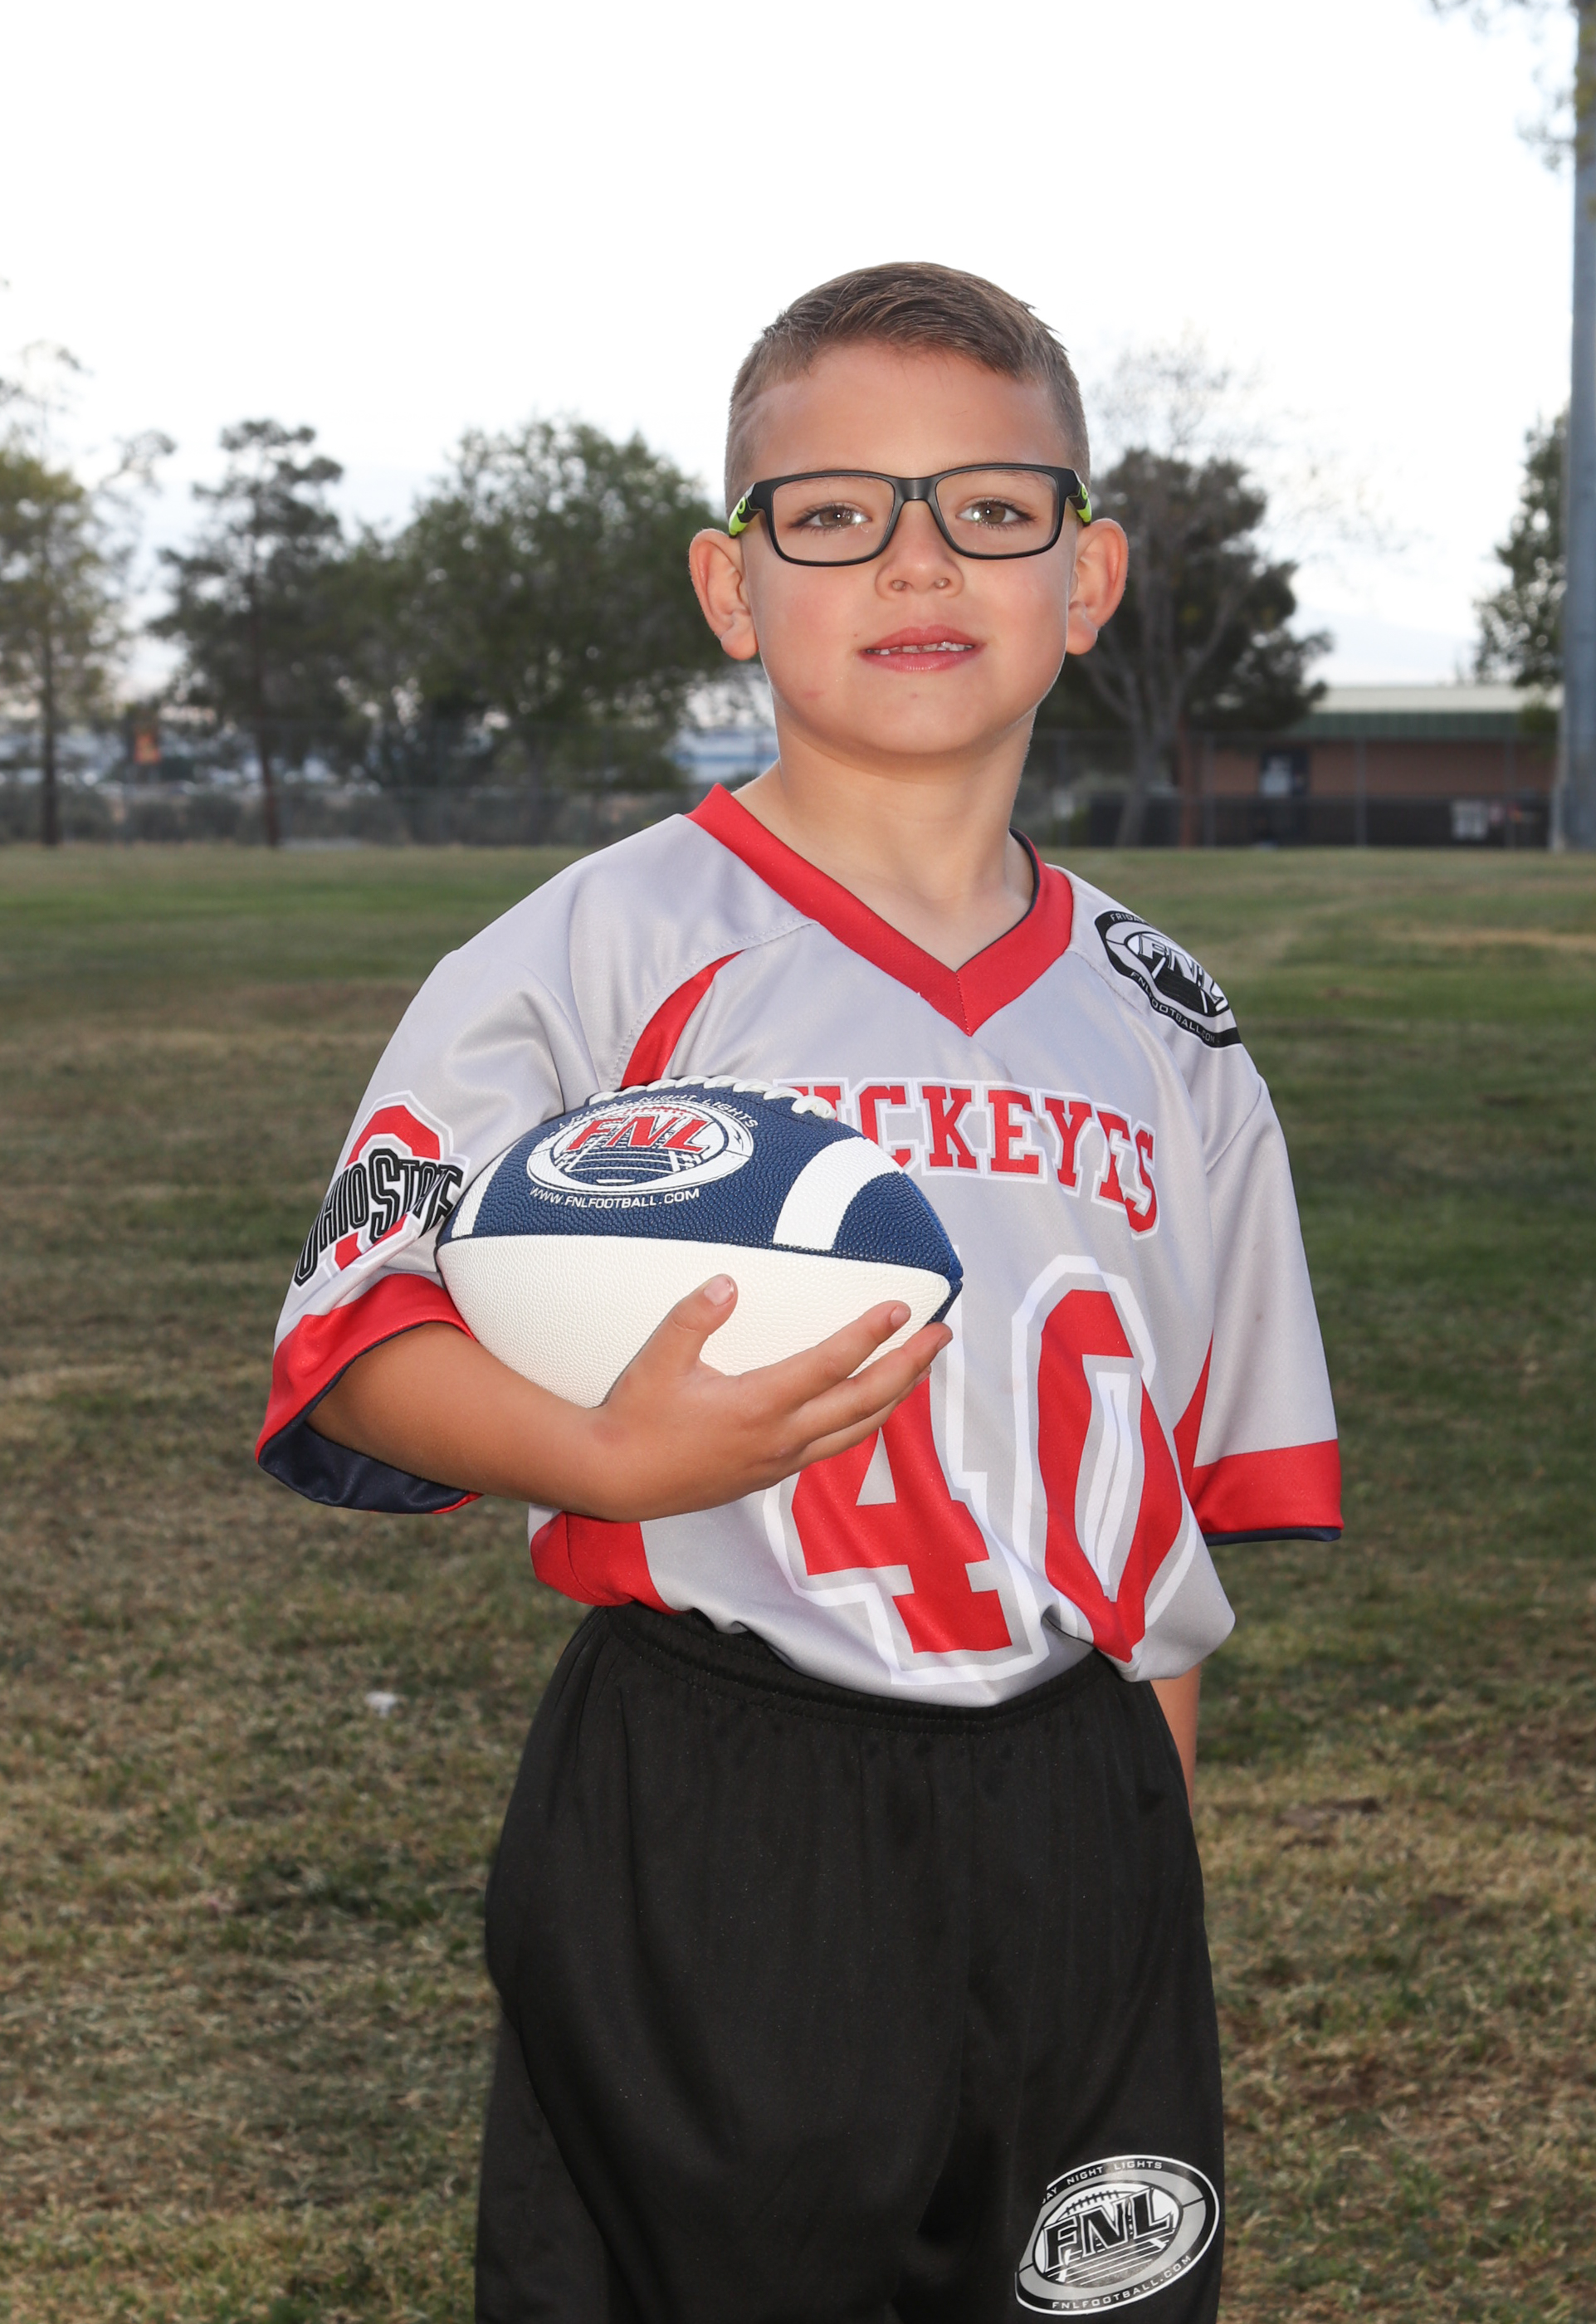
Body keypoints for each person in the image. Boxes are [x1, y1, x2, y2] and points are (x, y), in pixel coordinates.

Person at [256, 261, 1341, 2323]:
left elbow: (1165, 1525)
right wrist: (602, 1451)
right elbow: (361, 1335)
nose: (917, 559)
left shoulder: (1170, 1025)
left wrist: (1131, 1856)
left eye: (990, 508)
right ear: (731, 585)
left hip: (1079, 1793)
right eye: (834, 512)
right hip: (718, 1788)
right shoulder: (594, 948)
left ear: (1087, 576)